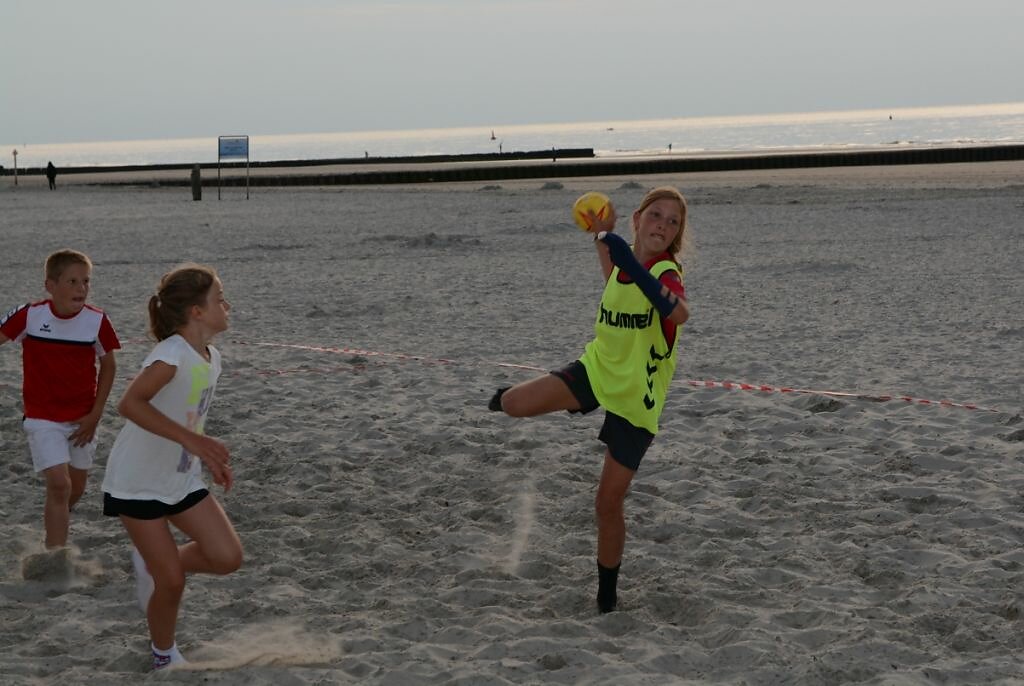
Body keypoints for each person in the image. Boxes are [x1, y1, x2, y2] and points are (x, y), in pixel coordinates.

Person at [489, 187, 691, 613]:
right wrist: (602, 236)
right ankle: (566, 400)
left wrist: (633, 263)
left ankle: (606, 596)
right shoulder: (623, 263)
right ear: (637, 220)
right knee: (511, 405)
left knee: (606, 504)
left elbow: (679, 313)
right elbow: (614, 278)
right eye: (656, 215)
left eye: (673, 222)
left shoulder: (667, 274)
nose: (663, 225)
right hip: (598, 370)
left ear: (676, 236)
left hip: (638, 398)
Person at [101, 264, 242, 670]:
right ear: (197, 311)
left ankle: (156, 561)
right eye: (219, 298)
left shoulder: (210, 357)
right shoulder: (171, 353)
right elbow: (129, 404)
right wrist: (194, 441)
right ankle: (164, 655)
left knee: (227, 557)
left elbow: (188, 419)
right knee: (172, 583)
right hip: (137, 482)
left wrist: (205, 455)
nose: (227, 305)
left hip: (180, 478)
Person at [0, 249, 120, 550]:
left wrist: (95, 415)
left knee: (75, 488)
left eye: (86, 282)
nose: (81, 288)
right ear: (50, 286)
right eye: (72, 281)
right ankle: (55, 557)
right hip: (42, 418)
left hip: (83, 419)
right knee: (59, 484)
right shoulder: (29, 315)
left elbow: (109, 365)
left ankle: (55, 524)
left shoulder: (97, 321)